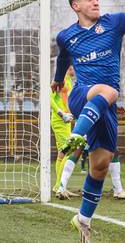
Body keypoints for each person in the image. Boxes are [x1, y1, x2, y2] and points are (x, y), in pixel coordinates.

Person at [51, 0, 125, 242]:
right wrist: (58, 79)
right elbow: (64, 57)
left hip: (105, 109)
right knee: (108, 90)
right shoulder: (67, 35)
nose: (96, 1)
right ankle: (76, 135)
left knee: (99, 166)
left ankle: (83, 219)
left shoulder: (113, 23)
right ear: (76, 5)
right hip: (82, 95)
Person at [56, 108, 125, 200]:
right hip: (96, 120)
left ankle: (61, 188)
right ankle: (118, 190)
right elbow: (103, 101)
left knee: (76, 152)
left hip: (82, 120)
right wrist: (115, 108)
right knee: (114, 150)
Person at [50, 65, 74, 194]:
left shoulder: (70, 80)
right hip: (60, 120)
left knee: (63, 152)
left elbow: (66, 100)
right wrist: (61, 113)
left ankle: (58, 186)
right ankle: (60, 187)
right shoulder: (60, 79)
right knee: (68, 150)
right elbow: (50, 99)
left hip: (67, 120)